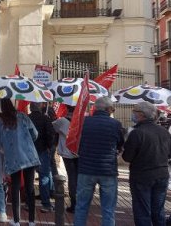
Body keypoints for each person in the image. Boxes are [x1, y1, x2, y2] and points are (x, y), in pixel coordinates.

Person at [74, 97, 124, 226]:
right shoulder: (116, 124)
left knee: (81, 207)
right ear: (108, 109)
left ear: (96, 108)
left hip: (86, 169)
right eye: (112, 109)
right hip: (108, 171)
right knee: (108, 210)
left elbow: (76, 142)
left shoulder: (84, 122)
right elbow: (120, 145)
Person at [122, 102, 171, 226]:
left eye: (134, 112)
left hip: (141, 177)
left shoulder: (137, 133)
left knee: (142, 211)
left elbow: (127, 157)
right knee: (158, 211)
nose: (133, 114)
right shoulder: (164, 131)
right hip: (162, 175)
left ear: (141, 115)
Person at [0, 98, 40, 226]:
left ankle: (16, 220)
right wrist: (27, 142)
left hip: (13, 158)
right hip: (29, 156)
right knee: (30, 188)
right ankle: (32, 220)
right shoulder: (23, 116)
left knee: (14, 188)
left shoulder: (0, 122)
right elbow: (35, 134)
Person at [28, 102, 56, 213]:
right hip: (42, 150)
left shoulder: (26, 118)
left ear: (30, 107)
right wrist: (50, 146)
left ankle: (28, 203)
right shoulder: (45, 119)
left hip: (29, 151)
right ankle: (46, 204)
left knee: (29, 177)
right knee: (44, 177)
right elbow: (51, 133)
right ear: (40, 107)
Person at [52, 105, 78, 213]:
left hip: (67, 153)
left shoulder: (62, 121)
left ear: (67, 109)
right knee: (78, 177)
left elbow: (51, 127)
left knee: (71, 177)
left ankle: (74, 203)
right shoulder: (81, 120)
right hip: (79, 152)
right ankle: (80, 202)